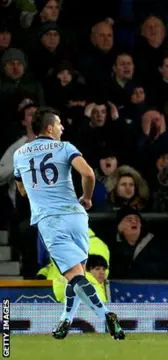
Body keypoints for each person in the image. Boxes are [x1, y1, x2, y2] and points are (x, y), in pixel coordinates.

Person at [12, 107, 125, 340]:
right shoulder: (65, 147)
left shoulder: (20, 153)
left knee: (75, 275)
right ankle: (66, 320)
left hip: (50, 220)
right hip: (76, 215)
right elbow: (89, 175)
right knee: (78, 274)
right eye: (60, 123)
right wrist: (88, 198)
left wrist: (36, 191)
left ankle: (106, 316)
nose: (63, 127)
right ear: (50, 128)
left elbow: (21, 190)